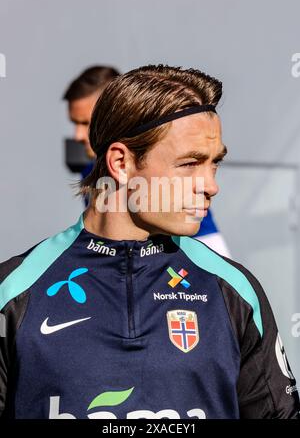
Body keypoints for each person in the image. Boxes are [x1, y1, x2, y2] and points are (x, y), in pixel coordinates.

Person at [0, 64, 299, 419]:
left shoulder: (234, 289)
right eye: (189, 164)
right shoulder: (14, 290)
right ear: (121, 163)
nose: (210, 185)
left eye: (214, 164)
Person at [63, 65, 230, 256]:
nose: (78, 135)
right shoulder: (91, 167)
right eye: (75, 123)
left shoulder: (216, 270)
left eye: (86, 123)